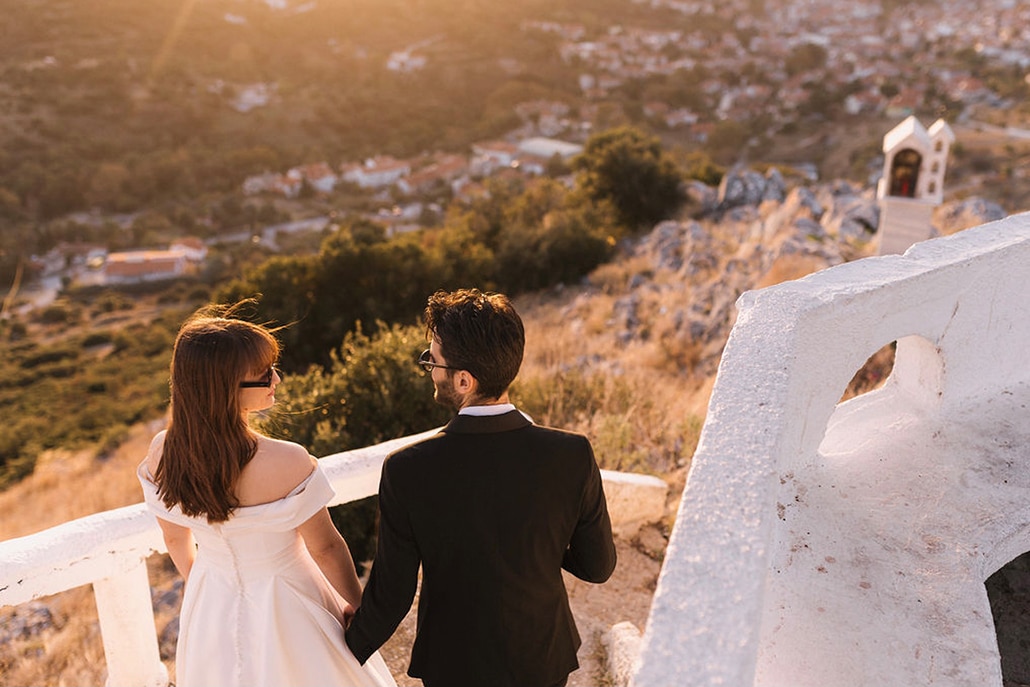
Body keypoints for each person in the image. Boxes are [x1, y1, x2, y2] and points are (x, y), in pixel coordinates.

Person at [345, 288, 617, 687]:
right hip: (542, 655)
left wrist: (342, 650)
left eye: (432, 362)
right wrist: (540, 537)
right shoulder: (572, 453)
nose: (431, 372)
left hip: (455, 665)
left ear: (463, 380)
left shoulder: (407, 469)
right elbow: (598, 567)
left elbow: (392, 597)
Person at [136, 306, 396, 687]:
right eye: (263, 374)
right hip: (288, 600)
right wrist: (358, 609)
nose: (276, 377)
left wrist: (212, 583)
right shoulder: (289, 460)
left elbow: (175, 537)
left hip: (211, 599)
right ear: (224, 388)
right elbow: (326, 547)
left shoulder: (161, 452)